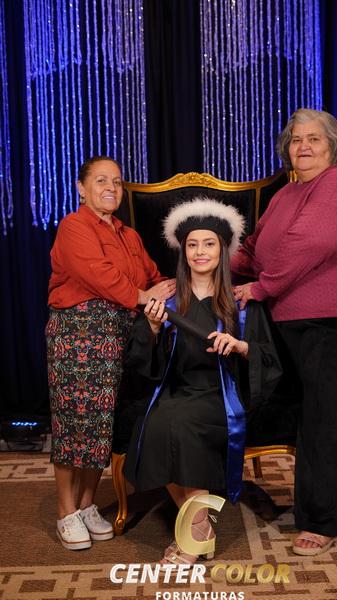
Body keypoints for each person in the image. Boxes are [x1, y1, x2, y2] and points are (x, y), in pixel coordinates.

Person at [231, 108, 337, 556]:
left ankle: (321, 520)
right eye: (295, 139)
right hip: (299, 320)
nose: (302, 146)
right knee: (327, 414)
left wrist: (260, 287)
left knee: (324, 417)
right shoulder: (287, 194)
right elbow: (254, 250)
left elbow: (310, 243)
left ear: (333, 147)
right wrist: (205, 266)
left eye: (314, 139)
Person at [123, 198, 282, 564]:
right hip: (175, 388)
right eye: (192, 244)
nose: (199, 251)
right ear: (183, 251)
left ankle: (193, 536)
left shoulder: (239, 302)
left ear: (222, 250)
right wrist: (151, 327)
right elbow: (140, 362)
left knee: (182, 424)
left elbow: (269, 359)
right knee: (156, 424)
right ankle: (200, 526)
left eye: (209, 244)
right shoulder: (168, 300)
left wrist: (240, 346)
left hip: (220, 394)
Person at [46, 155, 175, 550]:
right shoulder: (74, 226)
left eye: (117, 182)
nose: (111, 188)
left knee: (102, 427)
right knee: (75, 425)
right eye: (101, 180)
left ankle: (87, 504)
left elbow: (153, 276)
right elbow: (102, 278)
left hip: (119, 336)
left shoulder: (128, 235)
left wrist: (186, 286)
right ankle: (66, 511)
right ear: (81, 188)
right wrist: (147, 297)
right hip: (79, 334)